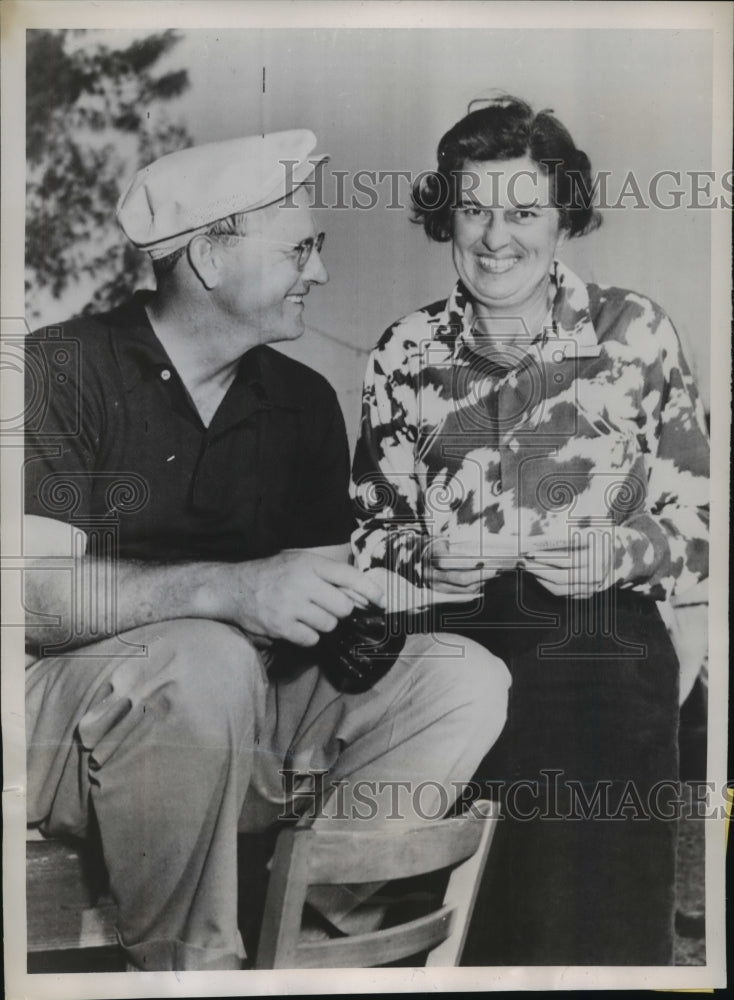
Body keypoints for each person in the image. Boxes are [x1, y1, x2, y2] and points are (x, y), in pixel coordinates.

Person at [23, 130, 511, 971]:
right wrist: (233, 590)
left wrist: (397, 585)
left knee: (462, 677)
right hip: (62, 727)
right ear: (209, 260)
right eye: (300, 250)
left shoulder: (301, 401)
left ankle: (318, 955)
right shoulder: (59, 369)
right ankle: (194, 976)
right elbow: (32, 600)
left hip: (243, 714)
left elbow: (315, 622)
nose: (319, 272)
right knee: (202, 657)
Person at [351, 97, 709, 965]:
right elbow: (369, 537)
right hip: (447, 626)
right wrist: (424, 557)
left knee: (598, 722)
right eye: (474, 209)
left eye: (523, 211)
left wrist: (615, 552)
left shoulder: (635, 330)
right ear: (447, 214)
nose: (495, 237)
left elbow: (695, 530)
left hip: (596, 625)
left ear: (564, 219)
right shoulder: (403, 352)